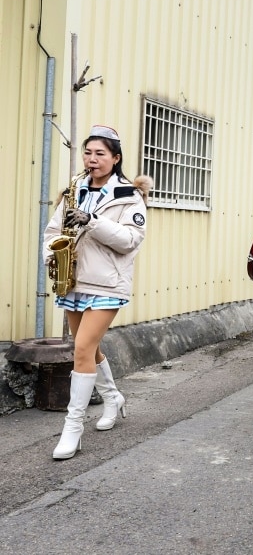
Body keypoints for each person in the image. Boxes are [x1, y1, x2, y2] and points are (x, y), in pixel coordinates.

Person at [44, 125, 150, 460]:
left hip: (107, 284)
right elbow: (52, 229)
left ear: (115, 158)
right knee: (89, 349)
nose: (92, 159)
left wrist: (91, 220)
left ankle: (72, 428)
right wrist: (51, 254)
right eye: (88, 153)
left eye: (100, 154)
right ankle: (113, 397)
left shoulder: (128, 196)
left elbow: (130, 241)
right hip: (73, 281)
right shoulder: (75, 190)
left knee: (81, 349)